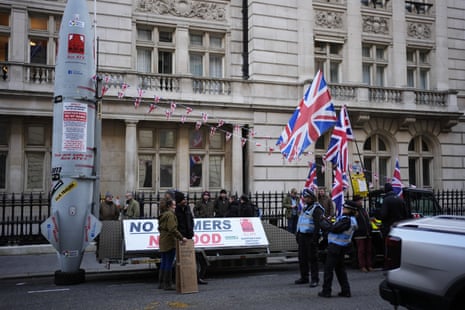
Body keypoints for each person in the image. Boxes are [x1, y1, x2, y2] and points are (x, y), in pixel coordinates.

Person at [318, 202, 358, 298]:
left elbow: (334, 229)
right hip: (342, 246)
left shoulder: (346, 220)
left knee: (328, 269)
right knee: (340, 270)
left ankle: (326, 291)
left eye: (345, 208)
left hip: (336, 246)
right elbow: (336, 227)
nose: (343, 208)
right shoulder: (351, 220)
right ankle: (345, 291)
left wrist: (323, 223)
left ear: (350, 210)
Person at [174, 191, 208, 285]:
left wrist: (191, 230)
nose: (185, 200)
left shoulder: (187, 208)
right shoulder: (176, 210)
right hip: (181, 237)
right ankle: (182, 280)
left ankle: (196, 278)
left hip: (189, 236)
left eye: (185, 199)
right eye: (183, 199)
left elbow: (191, 220)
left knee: (193, 259)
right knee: (181, 260)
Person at [295, 188, 324, 288]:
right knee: (302, 258)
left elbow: (318, 226)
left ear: (311, 198)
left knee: (313, 259)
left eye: (307, 197)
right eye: (304, 197)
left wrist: (315, 239)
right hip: (302, 236)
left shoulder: (317, 209)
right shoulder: (305, 208)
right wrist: (298, 234)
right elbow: (301, 222)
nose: (305, 199)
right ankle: (304, 277)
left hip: (311, 236)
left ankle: (315, 279)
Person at [158, 198, 187, 290]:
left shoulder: (163, 215)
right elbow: (172, 229)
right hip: (169, 241)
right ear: (169, 206)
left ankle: (161, 283)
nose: (175, 206)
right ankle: (168, 284)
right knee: (169, 263)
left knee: (164, 261)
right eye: (174, 205)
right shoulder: (170, 215)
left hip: (163, 240)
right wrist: (181, 238)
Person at [352, 195, 373, 272]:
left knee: (368, 250)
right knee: (361, 251)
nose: (361, 202)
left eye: (361, 200)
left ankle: (369, 265)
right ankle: (362, 266)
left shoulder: (363, 210)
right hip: (359, 234)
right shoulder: (354, 210)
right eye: (359, 200)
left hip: (367, 232)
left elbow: (367, 219)